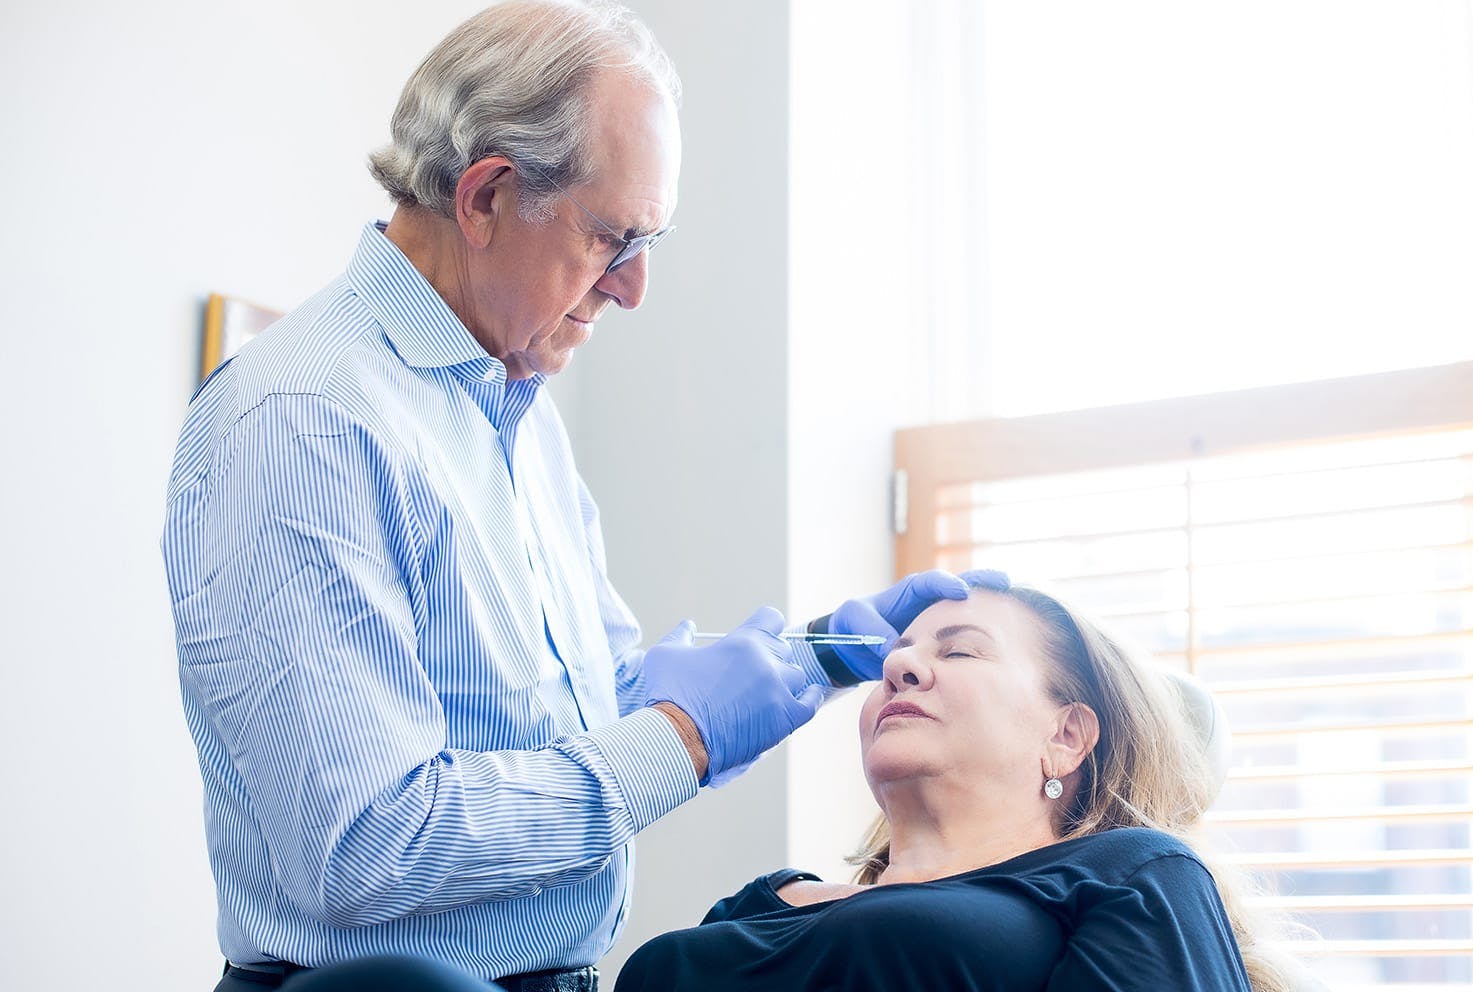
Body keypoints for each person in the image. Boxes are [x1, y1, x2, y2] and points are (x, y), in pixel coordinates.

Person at [161, 3, 996, 989]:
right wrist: (683, 734)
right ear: (485, 197)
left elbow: (579, 732)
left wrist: (805, 659)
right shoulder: (304, 421)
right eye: (612, 236)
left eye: (653, 238)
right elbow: (365, 845)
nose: (636, 286)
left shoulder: (517, 409)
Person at [613, 585, 1304, 992]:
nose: (901, 666)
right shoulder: (756, 904)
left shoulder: (1135, 874)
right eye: (893, 656)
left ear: (1067, 734)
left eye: (960, 650)